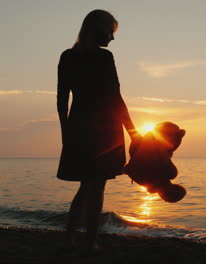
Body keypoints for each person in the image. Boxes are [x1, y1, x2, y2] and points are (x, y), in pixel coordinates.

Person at [56, 9, 141, 252]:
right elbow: (115, 97)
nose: (112, 39)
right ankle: (90, 241)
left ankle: (70, 236)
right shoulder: (104, 57)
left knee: (86, 185)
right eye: (110, 32)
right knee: (96, 186)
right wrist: (133, 132)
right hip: (104, 129)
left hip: (79, 126)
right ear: (96, 28)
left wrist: (66, 132)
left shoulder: (67, 56)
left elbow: (62, 100)